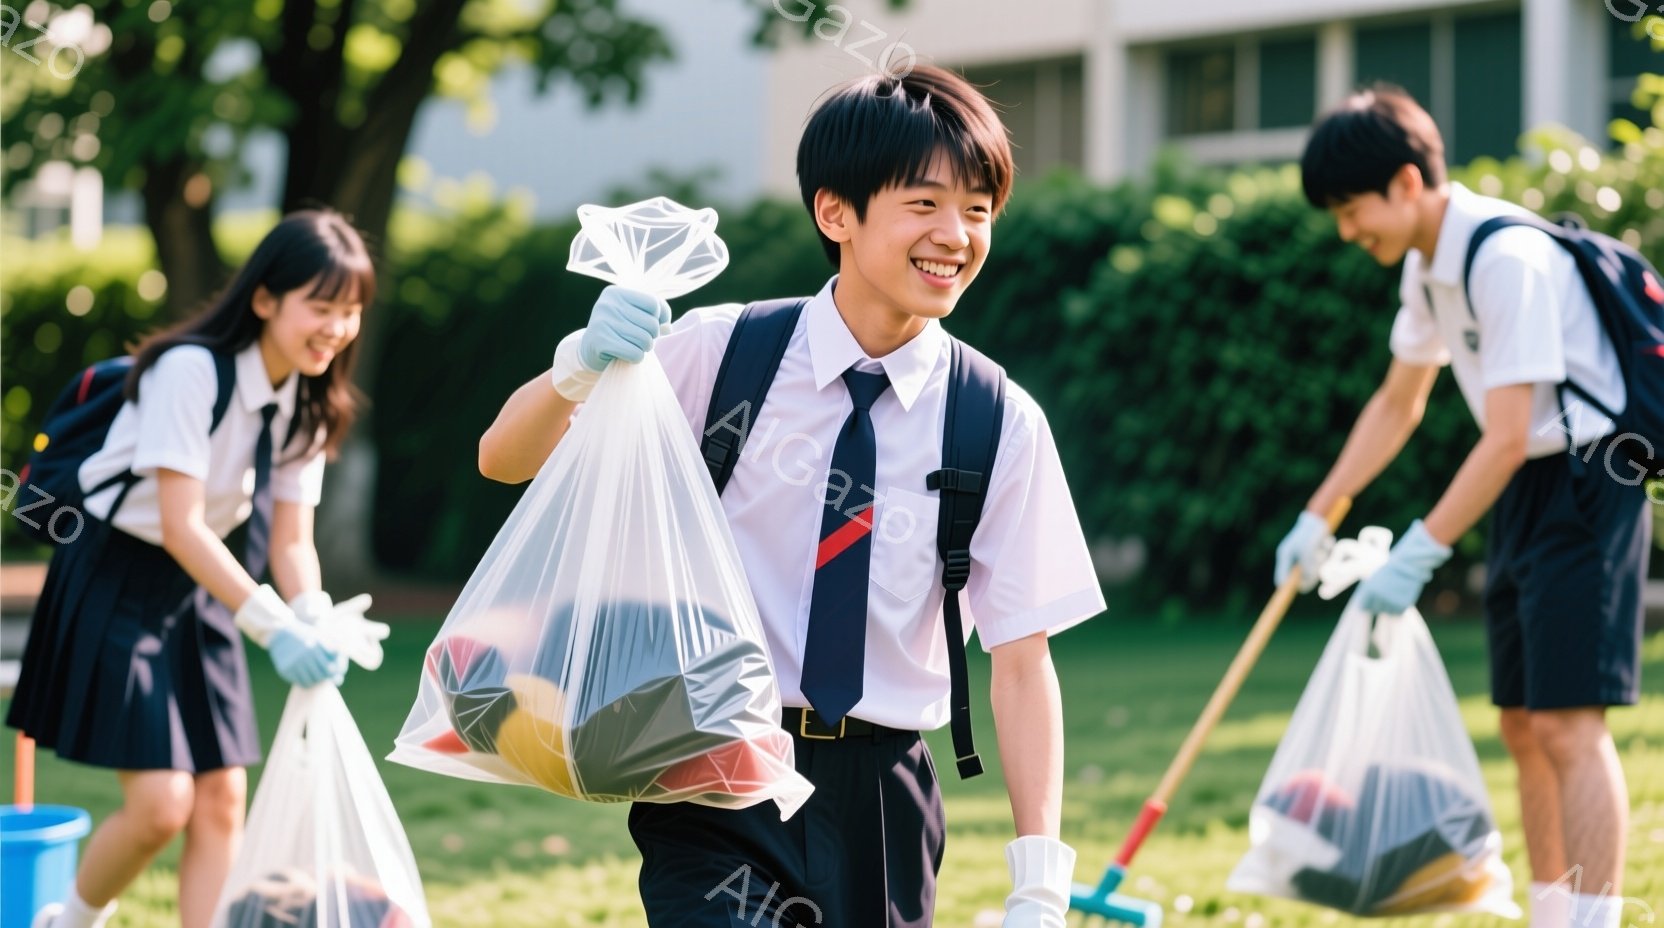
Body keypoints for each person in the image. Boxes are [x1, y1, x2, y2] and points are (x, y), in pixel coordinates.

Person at [479, 65, 1105, 927]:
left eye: (978, 208)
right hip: (713, 768)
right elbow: (504, 460)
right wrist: (579, 361)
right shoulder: (724, 353)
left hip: (883, 797)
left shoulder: (997, 420)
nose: (955, 235)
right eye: (924, 204)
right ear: (834, 212)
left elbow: (1024, 664)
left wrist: (1039, 881)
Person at [1275, 86, 1645, 928]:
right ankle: (1555, 916)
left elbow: (1511, 434)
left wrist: (1418, 552)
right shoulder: (1428, 268)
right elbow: (1398, 402)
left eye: (1350, 207)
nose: (1346, 229)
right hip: (1525, 490)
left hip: (1585, 485)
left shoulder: (1505, 258)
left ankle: (1590, 922)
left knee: (1567, 728)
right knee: (1521, 725)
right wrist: (1319, 512)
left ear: (1406, 184)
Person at [8, 210, 380, 928]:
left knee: (220, 800)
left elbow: (292, 544)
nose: (336, 328)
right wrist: (276, 628)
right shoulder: (189, 371)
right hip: (118, 575)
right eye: (322, 306)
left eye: (352, 311)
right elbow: (178, 524)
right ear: (265, 299)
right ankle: (67, 923)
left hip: (204, 588)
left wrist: (312, 615)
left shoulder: (309, 400)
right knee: (162, 805)